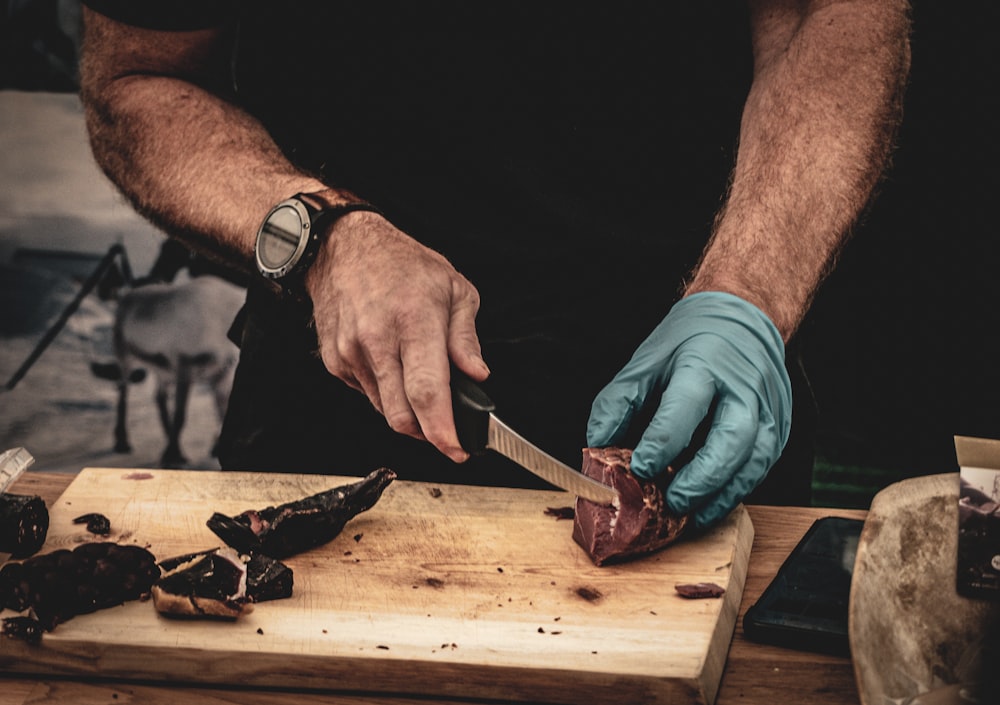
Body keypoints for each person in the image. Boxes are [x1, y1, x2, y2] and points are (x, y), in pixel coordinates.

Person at [77, 1, 911, 529]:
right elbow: (136, 76)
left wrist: (747, 297)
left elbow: (829, 14)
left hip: (691, 392)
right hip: (342, 400)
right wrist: (324, 234)